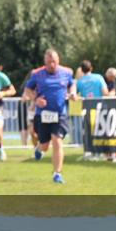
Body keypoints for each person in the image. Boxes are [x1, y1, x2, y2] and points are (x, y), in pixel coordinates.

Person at [23, 49, 76, 184]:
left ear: (58, 60)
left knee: (57, 140)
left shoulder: (66, 72)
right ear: (44, 62)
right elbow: (27, 90)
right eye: (49, 62)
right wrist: (36, 99)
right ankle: (39, 149)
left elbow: (72, 85)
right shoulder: (37, 74)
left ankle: (57, 174)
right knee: (45, 145)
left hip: (60, 113)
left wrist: (73, 93)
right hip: (43, 114)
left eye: (54, 62)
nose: (52, 65)